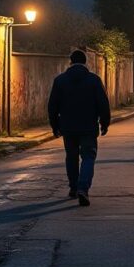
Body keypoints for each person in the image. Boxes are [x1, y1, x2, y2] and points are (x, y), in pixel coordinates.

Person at [47, 50, 111, 206]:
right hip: (89, 126)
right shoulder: (94, 80)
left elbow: (52, 106)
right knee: (88, 157)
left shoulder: (60, 81)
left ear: (70, 61)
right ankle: (83, 188)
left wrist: (55, 126)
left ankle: (74, 187)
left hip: (68, 127)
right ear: (85, 62)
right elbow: (103, 104)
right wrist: (105, 123)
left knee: (71, 157)